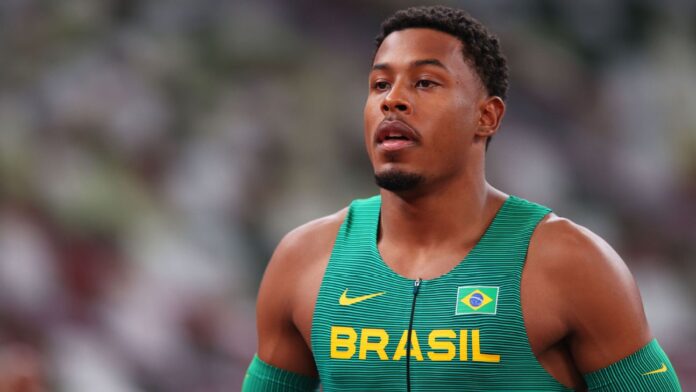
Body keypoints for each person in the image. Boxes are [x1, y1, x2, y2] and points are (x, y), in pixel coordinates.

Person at [242, 5, 681, 391]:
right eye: (379, 85)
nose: (393, 100)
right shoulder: (304, 260)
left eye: (425, 83)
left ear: (486, 116)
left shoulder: (571, 263)